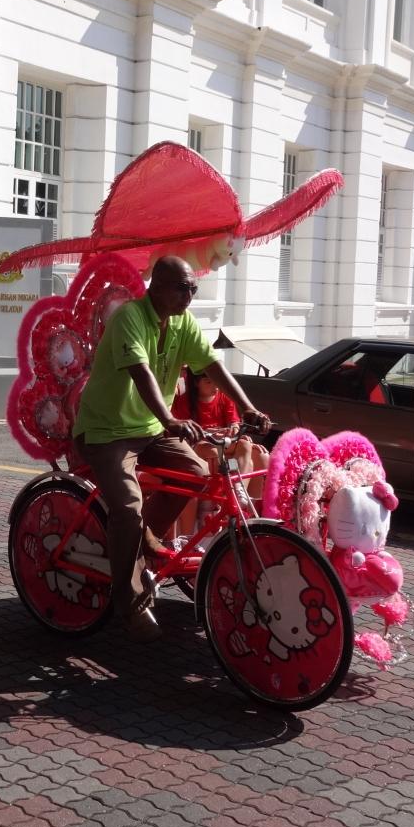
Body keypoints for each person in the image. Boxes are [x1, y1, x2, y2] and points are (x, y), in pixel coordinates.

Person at [73, 255, 271, 641]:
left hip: (151, 429)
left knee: (196, 474)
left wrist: (248, 407)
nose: (189, 296)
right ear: (157, 286)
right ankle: (129, 600)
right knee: (127, 507)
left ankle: (145, 538)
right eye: (182, 288)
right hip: (106, 431)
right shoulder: (129, 317)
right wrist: (169, 418)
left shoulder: (183, 323)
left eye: (193, 288)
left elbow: (212, 366)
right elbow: (141, 372)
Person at [171, 366, 270, 532]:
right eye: (209, 382)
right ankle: (219, 504)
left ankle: (238, 490)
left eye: (216, 382)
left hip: (224, 443)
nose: (215, 386)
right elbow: (183, 435)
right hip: (200, 445)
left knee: (247, 445)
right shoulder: (183, 402)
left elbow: (234, 423)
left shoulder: (224, 398)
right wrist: (209, 433)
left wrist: (233, 429)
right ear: (196, 383)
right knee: (213, 453)